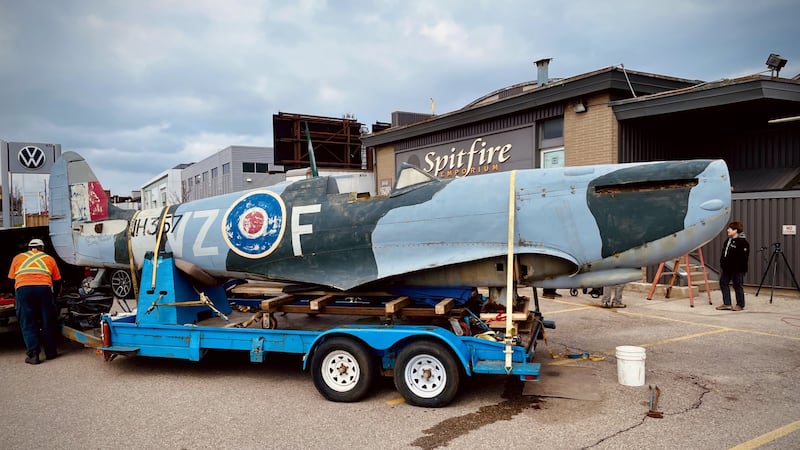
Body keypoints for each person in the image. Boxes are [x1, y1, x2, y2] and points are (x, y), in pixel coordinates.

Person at [7, 238, 62, 364]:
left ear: (28, 248)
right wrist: (54, 297)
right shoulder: (49, 258)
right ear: (42, 248)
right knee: (48, 321)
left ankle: (33, 355)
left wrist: (16, 296)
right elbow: (57, 280)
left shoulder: (18, 258)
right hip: (44, 289)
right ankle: (51, 353)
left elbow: (11, 280)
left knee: (28, 322)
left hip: (23, 289)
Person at [716, 221, 750, 311]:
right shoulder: (728, 241)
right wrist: (722, 263)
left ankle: (740, 304)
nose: (728, 230)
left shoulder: (743, 243)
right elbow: (724, 254)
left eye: (730, 229)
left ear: (735, 230)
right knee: (723, 283)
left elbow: (743, 258)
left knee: (737, 285)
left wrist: (736, 268)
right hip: (727, 269)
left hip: (738, 269)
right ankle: (727, 303)